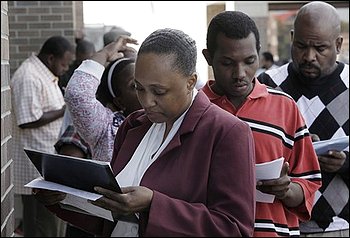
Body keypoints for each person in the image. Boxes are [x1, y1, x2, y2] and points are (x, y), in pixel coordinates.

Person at [34, 29, 256, 237]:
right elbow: (111, 220)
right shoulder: (134, 125)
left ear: (190, 82)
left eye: (159, 91)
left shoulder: (227, 133)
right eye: (139, 88)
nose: (147, 102)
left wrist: (154, 204)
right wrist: (62, 199)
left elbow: (234, 228)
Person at [201, 11, 322, 236]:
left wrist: (286, 189)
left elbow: (308, 185)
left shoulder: (286, 107)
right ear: (208, 57)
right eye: (227, 63)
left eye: (249, 61)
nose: (240, 74)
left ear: (258, 54)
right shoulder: (193, 108)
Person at [258, 2, 349, 237]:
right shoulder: (268, 85)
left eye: (320, 48)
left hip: (340, 227)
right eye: (301, 46)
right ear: (291, 37)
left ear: (338, 44)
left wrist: (344, 163)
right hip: (280, 226)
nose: (309, 56)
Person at [11, 35, 74, 237]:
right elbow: (27, 119)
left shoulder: (43, 73)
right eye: (64, 64)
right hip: (36, 169)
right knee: (42, 228)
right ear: (50, 59)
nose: (65, 69)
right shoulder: (29, 76)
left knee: (53, 227)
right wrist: (64, 110)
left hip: (47, 163)